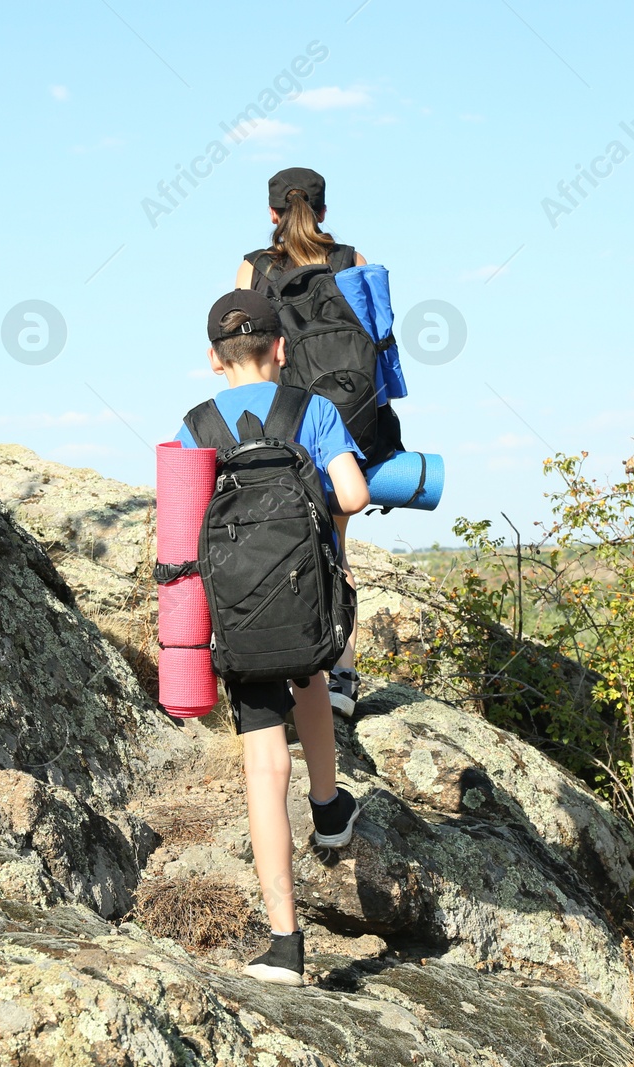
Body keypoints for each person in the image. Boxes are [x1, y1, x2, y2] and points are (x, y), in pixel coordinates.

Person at [173, 290, 371, 986]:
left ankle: (285, 943)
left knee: (264, 768)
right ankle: (328, 806)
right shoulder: (311, 410)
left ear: (212, 358)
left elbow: (177, 537)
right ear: (280, 350)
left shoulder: (195, 425)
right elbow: (350, 496)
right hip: (307, 603)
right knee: (312, 670)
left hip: (241, 618)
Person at [235, 167, 367, 716]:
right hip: (343, 418)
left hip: (280, 424)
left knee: (277, 537)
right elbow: (380, 342)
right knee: (334, 544)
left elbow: (239, 345)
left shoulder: (256, 267)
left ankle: (283, 659)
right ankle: (341, 675)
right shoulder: (351, 260)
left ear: (271, 212)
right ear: (324, 210)